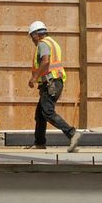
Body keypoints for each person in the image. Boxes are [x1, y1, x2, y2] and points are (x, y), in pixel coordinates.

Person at [27, 20, 82, 152]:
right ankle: (39, 142)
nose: (32, 40)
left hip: (50, 83)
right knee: (40, 114)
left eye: (31, 37)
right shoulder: (53, 42)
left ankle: (72, 133)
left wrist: (34, 78)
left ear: (36, 34)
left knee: (48, 112)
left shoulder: (43, 44)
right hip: (54, 82)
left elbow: (45, 61)